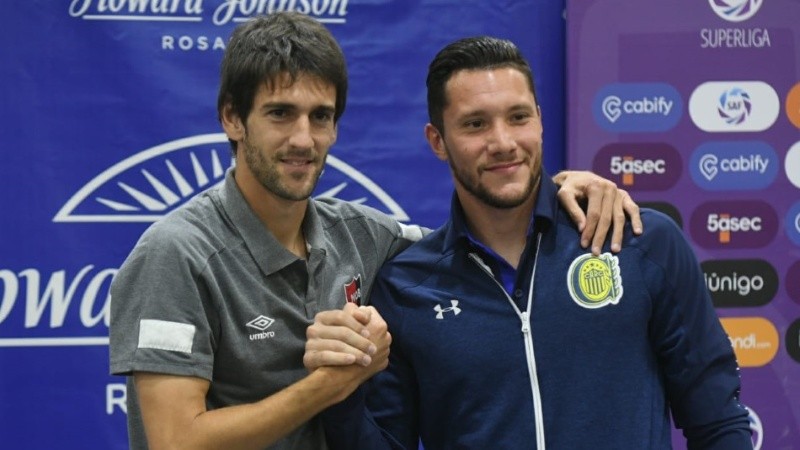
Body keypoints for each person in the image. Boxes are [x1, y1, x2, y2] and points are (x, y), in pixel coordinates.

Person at [109, 13, 641, 450]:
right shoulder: (175, 254)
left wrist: (563, 188)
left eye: (321, 117)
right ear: (232, 118)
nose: (303, 138)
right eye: (280, 114)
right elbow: (176, 440)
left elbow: (476, 239)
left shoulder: (362, 235)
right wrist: (326, 387)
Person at [307, 36, 753, 449]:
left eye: (518, 117)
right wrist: (341, 392)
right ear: (438, 141)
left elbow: (717, 422)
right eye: (475, 124)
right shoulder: (407, 287)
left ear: (540, 119)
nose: (503, 143)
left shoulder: (639, 242)